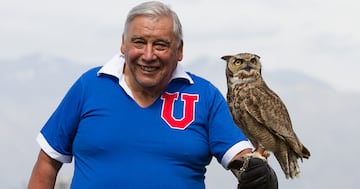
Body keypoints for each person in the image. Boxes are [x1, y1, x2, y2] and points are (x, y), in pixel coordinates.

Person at [28, 1, 277, 188]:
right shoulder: (89, 86)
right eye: (139, 42)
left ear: (179, 50)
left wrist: (260, 172)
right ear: (123, 44)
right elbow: (48, 162)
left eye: (160, 44)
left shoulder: (204, 95)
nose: (148, 55)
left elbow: (242, 161)